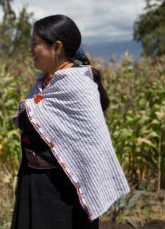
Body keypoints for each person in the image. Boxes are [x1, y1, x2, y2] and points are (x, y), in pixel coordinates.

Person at [11, 14, 130, 229]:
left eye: (35, 43)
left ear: (56, 47)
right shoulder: (44, 82)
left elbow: (89, 145)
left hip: (62, 194)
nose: (30, 49)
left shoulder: (78, 86)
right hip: (35, 185)